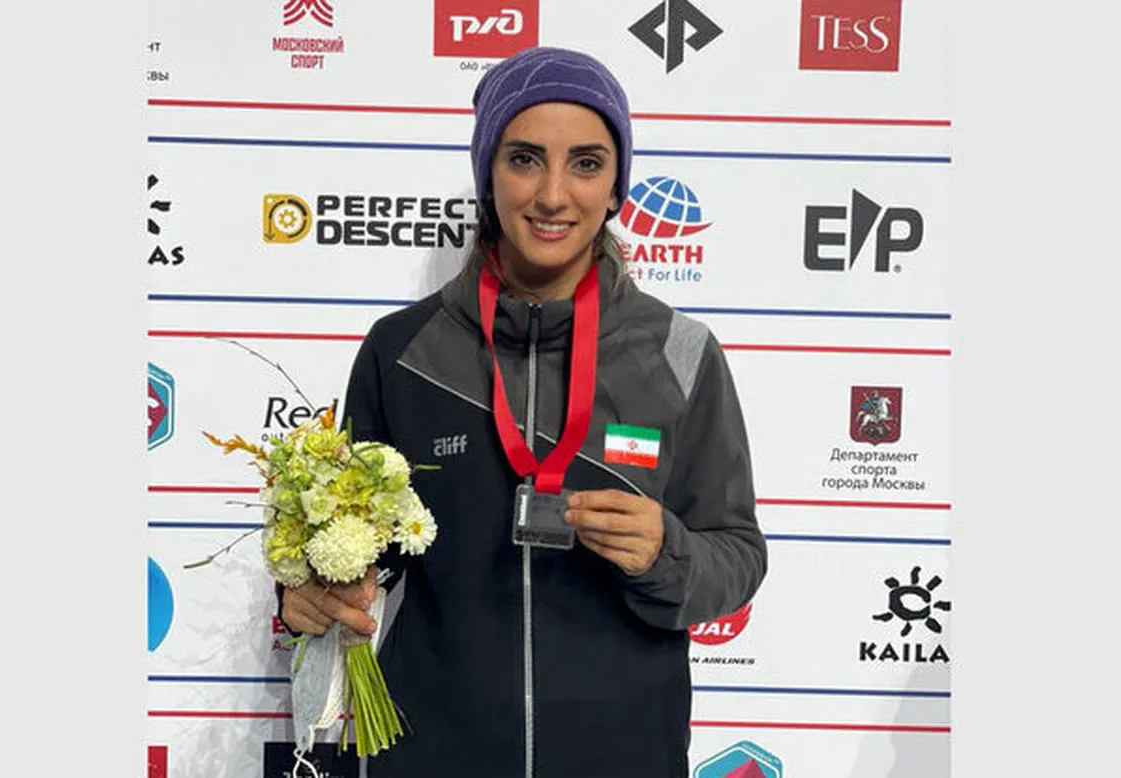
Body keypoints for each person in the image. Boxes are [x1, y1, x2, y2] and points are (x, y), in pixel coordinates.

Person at [279, 46, 768, 778]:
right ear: (488, 174)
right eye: (525, 159)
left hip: (623, 754)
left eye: (587, 164)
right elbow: (354, 548)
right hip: (433, 752)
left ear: (617, 188)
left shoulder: (681, 353)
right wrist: (308, 592)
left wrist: (666, 550)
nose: (553, 195)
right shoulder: (401, 350)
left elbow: (738, 555)